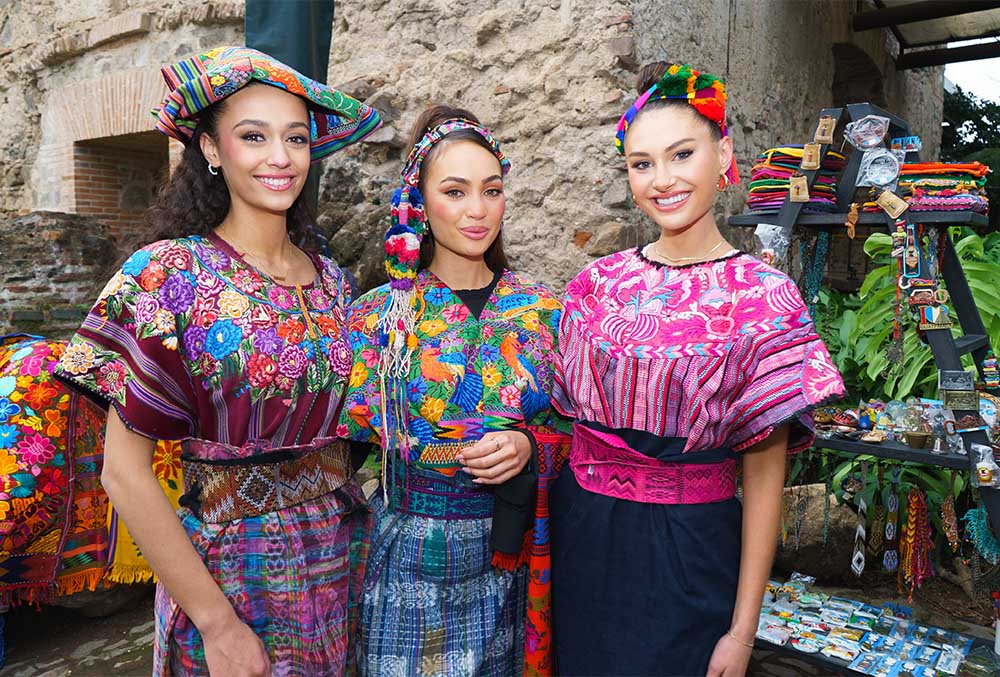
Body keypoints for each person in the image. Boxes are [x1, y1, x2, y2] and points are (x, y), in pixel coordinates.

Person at [55, 46, 380, 677]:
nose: (280, 158)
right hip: (233, 574)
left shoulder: (336, 282)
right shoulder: (167, 276)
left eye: (296, 138)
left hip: (346, 558)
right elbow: (123, 475)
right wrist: (216, 623)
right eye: (252, 136)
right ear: (210, 149)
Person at [549, 62, 846, 677]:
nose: (662, 180)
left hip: (691, 554)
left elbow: (764, 482)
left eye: (682, 154)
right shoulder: (592, 288)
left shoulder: (765, 298)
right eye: (641, 163)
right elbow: (562, 434)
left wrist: (742, 632)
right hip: (586, 546)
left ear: (723, 154)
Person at [340, 106, 567, 676]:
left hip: (514, 554)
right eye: (455, 190)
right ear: (418, 202)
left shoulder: (544, 312)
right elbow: (342, 446)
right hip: (406, 554)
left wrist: (532, 448)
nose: (477, 210)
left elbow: (585, 431)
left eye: (491, 190)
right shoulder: (376, 317)